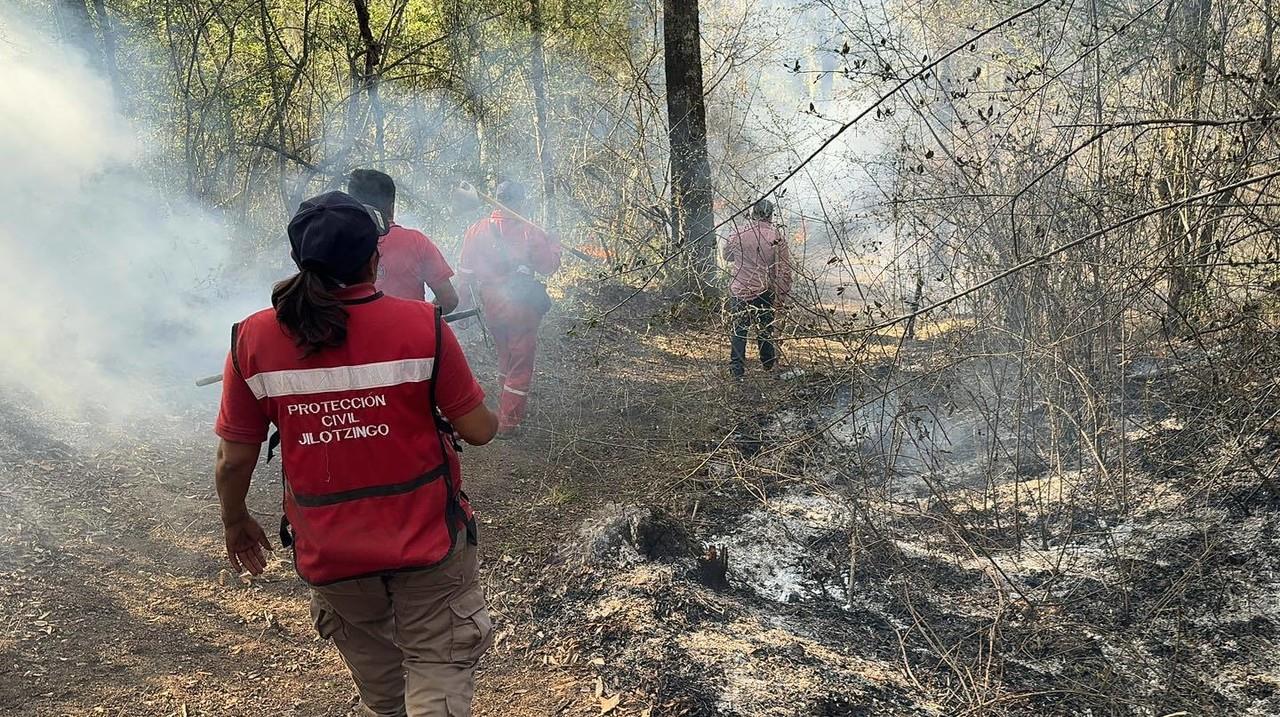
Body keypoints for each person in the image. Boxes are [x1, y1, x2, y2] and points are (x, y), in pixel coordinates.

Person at [213, 191, 499, 717]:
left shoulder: (252, 339)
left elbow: (234, 460)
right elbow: (478, 430)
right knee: (438, 671)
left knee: (383, 692)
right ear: (375, 258)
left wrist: (234, 520)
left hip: (333, 552)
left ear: (301, 259)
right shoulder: (422, 326)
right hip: (428, 541)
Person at [458, 180, 562, 436]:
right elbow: (548, 267)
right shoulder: (530, 231)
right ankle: (509, 422)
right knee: (520, 363)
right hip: (522, 307)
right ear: (520, 201)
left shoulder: (476, 229)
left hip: (492, 305)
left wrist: (464, 305)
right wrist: (554, 244)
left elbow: (465, 274)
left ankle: (504, 409)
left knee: (505, 357)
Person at [348, 169, 460, 312]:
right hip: (411, 332)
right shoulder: (417, 242)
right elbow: (448, 299)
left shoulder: (338, 245)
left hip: (357, 332)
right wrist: (420, 316)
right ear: (391, 206)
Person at [722, 198, 793, 378]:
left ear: (753, 213)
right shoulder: (776, 236)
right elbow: (783, 268)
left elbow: (727, 256)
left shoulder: (738, 232)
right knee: (764, 329)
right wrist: (781, 294)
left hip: (739, 289)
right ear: (770, 215)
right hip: (764, 290)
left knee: (739, 330)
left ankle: (736, 370)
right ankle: (768, 364)